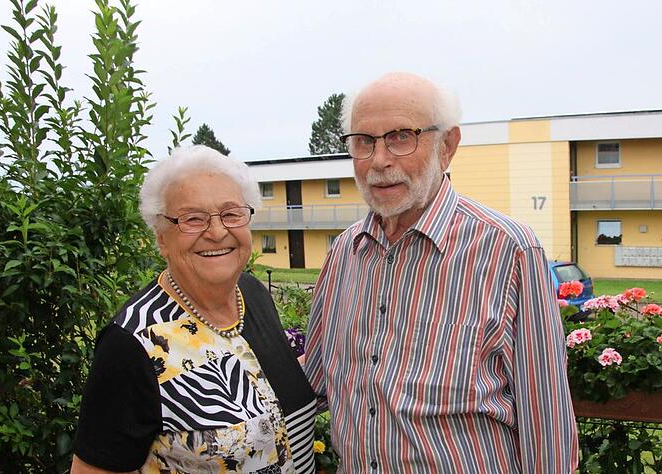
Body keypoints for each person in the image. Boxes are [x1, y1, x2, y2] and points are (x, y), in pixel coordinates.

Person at [303, 73, 579, 473]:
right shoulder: (345, 253)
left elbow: (546, 421)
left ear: (447, 146)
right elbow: (313, 382)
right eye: (364, 141)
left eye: (401, 137)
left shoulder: (508, 250)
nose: (379, 161)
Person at [71, 145, 316, 473]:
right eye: (193, 219)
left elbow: (266, 391)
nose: (216, 232)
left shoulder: (253, 294)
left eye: (231, 214)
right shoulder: (133, 343)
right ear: (161, 237)